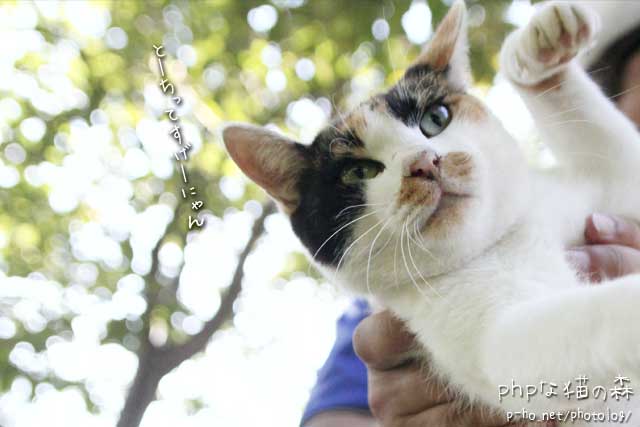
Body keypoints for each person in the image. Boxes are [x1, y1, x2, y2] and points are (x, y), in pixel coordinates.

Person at [301, 2, 640, 426]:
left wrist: (547, 83)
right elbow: (515, 360)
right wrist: (548, 82)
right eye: (362, 171)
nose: (423, 160)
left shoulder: (544, 197)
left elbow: (622, 184)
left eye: (436, 119)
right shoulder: (398, 305)